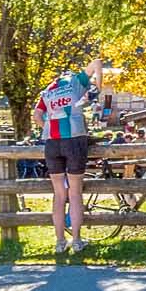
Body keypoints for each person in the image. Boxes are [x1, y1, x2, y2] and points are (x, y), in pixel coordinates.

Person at [35, 51, 104, 258]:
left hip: (52, 143)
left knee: (58, 195)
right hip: (74, 139)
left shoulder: (47, 91)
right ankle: (76, 240)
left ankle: (59, 242)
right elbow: (97, 62)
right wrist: (98, 87)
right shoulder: (74, 81)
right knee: (74, 194)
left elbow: (36, 115)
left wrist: (47, 127)